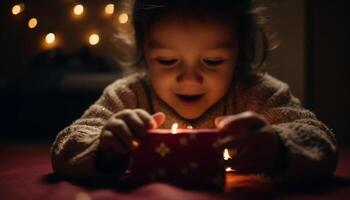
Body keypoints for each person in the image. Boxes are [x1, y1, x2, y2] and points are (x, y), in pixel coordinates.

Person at [51, 0, 337, 183]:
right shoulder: (129, 95)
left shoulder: (257, 94)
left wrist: (277, 147)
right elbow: (66, 148)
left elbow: (321, 142)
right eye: (166, 61)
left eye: (212, 62)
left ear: (240, 51)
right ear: (144, 52)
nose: (189, 79)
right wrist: (106, 145)